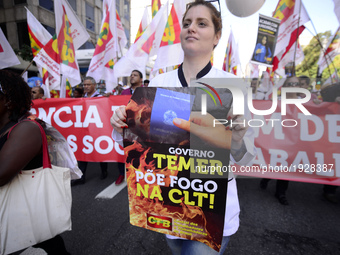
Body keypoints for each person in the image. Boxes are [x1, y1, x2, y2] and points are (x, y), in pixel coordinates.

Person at [110, 1, 256, 254]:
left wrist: (237, 139)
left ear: (216, 37)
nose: (192, 28)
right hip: (168, 204)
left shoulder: (234, 87)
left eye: (202, 23)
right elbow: (140, 145)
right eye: (187, 23)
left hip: (210, 207)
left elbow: (246, 157)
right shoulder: (158, 82)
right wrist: (122, 124)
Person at [0, 70, 70, 254]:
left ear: (7, 100)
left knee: (47, 243)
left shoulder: (26, 129)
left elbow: (1, 174)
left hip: (26, 212)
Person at [259, 76, 302, 205]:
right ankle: (266, 178)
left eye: (295, 83)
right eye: (290, 83)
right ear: (284, 87)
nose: (292, 85)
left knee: (286, 166)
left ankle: (281, 192)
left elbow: (322, 111)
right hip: (276, 139)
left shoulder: (307, 103)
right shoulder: (275, 101)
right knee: (274, 163)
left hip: (293, 141)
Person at [73, 77, 108, 185]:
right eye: (84, 85)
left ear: (94, 85)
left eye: (88, 85)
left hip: (97, 129)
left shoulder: (101, 97)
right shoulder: (81, 98)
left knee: (100, 151)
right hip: (85, 129)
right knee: (84, 152)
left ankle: (104, 171)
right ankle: (81, 176)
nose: (86, 87)